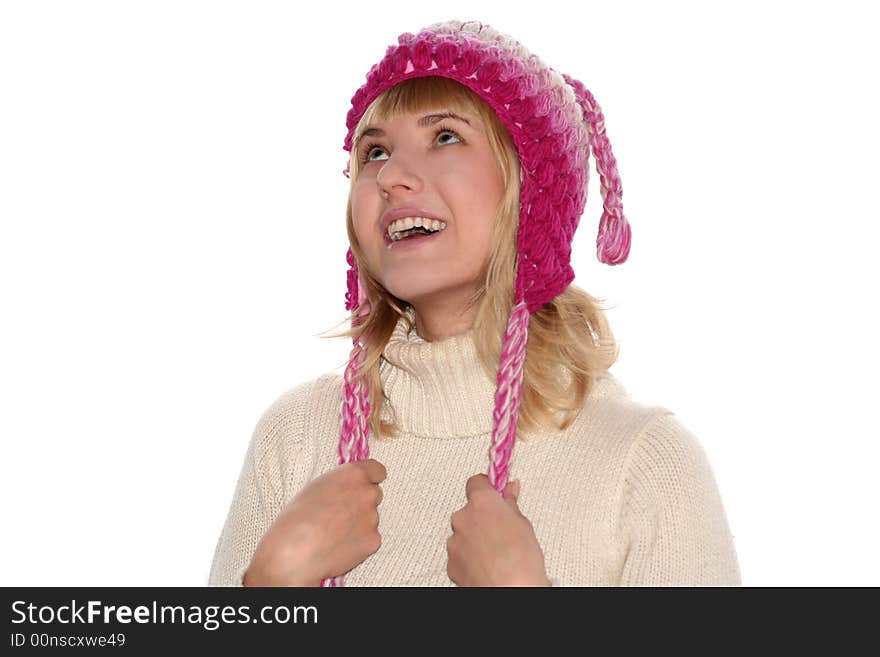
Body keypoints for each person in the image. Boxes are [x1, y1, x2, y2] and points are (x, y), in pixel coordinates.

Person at [208, 18, 741, 587]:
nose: (390, 178)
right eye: (374, 151)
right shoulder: (295, 438)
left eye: (444, 137)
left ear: (532, 190)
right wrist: (270, 584)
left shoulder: (644, 464)